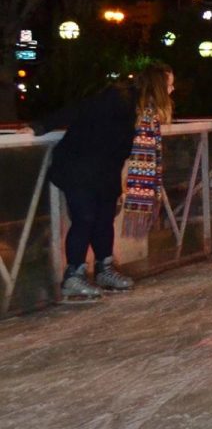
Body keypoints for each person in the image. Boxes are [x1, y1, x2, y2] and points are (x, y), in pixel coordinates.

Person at [32, 63, 175, 300]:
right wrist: (41, 126)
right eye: (169, 84)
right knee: (85, 217)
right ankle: (73, 275)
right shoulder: (119, 98)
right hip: (79, 165)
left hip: (105, 169)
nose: (172, 89)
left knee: (104, 218)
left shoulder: (144, 112)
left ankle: (104, 269)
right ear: (157, 86)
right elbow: (79, 110)